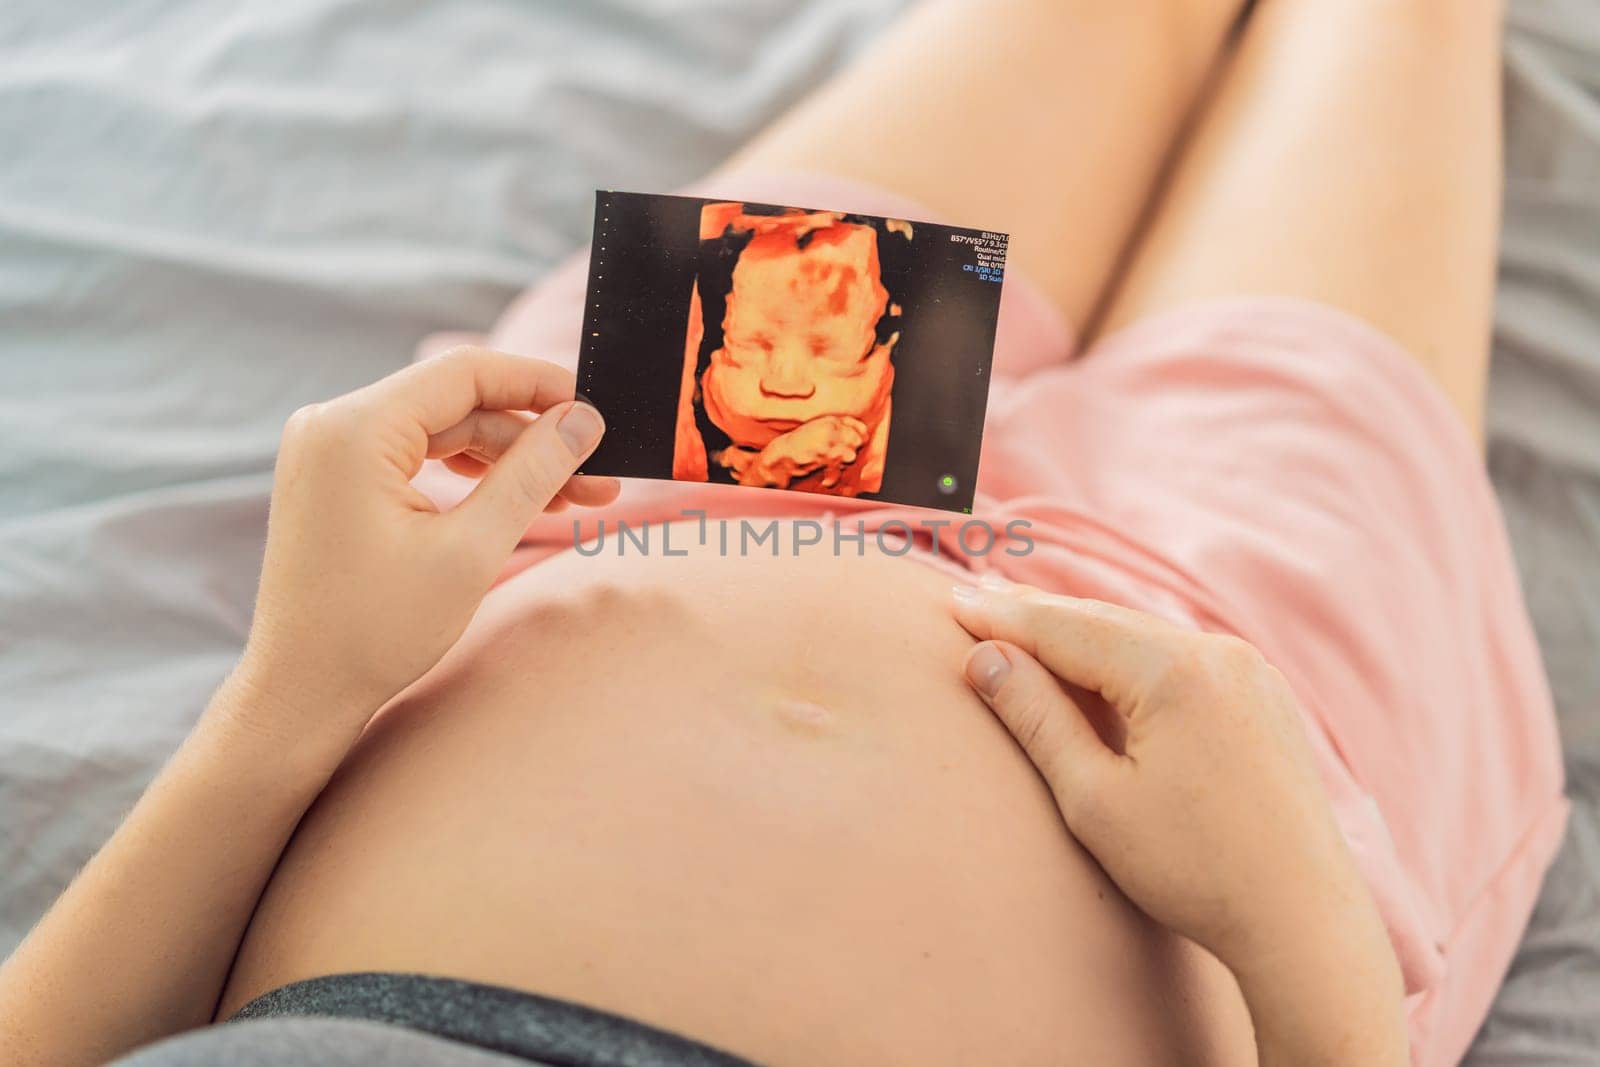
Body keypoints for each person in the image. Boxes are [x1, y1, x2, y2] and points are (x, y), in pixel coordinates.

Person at [0, 2, 1565, 1066]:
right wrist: (1305, 945)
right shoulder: (1268, 836)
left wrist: (290, 699)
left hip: (661, 479)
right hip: (1243, 740)